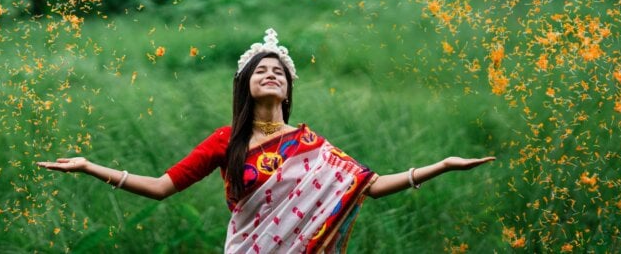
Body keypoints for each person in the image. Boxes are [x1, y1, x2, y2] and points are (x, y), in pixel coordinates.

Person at [37, 28, 495, 252]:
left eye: (279, 71)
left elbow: (368, 186)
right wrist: (90, 167)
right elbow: (160, 187)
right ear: (246, 85)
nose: (271, 74)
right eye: (262, 70)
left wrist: (439, 167)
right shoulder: (225, 141)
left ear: (288, 88)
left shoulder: (311, 144)